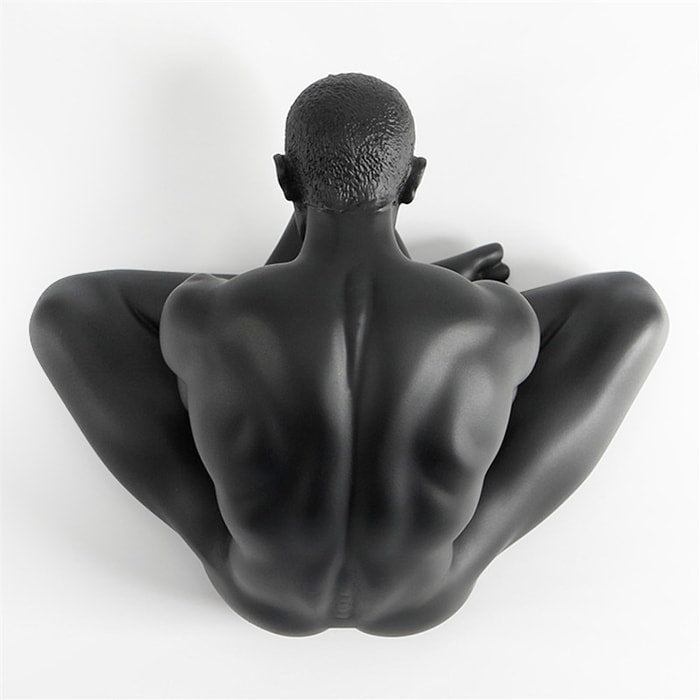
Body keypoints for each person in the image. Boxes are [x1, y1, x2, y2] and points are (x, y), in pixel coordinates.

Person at [29, 73, 668, 636]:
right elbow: (627, 311)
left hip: (259, 592)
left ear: (284, 177)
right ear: (413, 180)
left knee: (62, 311)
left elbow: (73, 307)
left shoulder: (206, 313)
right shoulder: (494, 320)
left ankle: (332, 246)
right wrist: (439, 286)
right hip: (429, 594)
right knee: (636, 306)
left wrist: (272, 279)